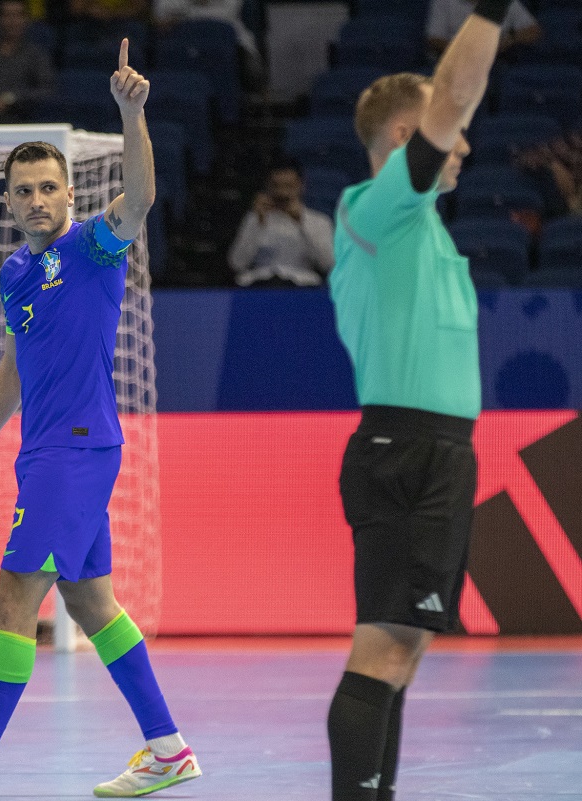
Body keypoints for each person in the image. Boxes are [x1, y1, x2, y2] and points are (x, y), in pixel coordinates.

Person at [0, 39, 201, 800]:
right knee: (90, 599)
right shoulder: (15, 272)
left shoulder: (95, 248)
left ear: (69, 194)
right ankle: (166, 747)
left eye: (48, 187)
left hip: (77, 448)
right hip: (44, 451)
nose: (37, 200)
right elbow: (16, 362)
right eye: (24, 190)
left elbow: (138, 198)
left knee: (13, 593)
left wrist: (132, 116)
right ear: (8, 201)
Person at [327, 2, 508, 799]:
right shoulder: (381, 210)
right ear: (406, 137)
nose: (464, 145)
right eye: (446, 131)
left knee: (404, 651)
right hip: (405, 452)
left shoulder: (420, 226)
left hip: (436, 453)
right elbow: (456, 97)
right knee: (385, 650)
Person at [227, 156, 334, 287]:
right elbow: (237, 264)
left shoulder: (319, 221)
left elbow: (328, 264)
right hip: (259, 286)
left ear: (301, 186)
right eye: (276, 186)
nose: (283, 193)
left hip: (302, 286)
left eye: (289, 186)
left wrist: (301, 222)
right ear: (268, 186)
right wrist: (258, 223)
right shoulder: (254, 219)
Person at [426, 0, 541, 60]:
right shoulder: (443, 2)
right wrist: (465, 52)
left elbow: (533, 30)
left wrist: (510, 39)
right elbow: (435, 38)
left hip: (498, 60)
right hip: (457, 62)